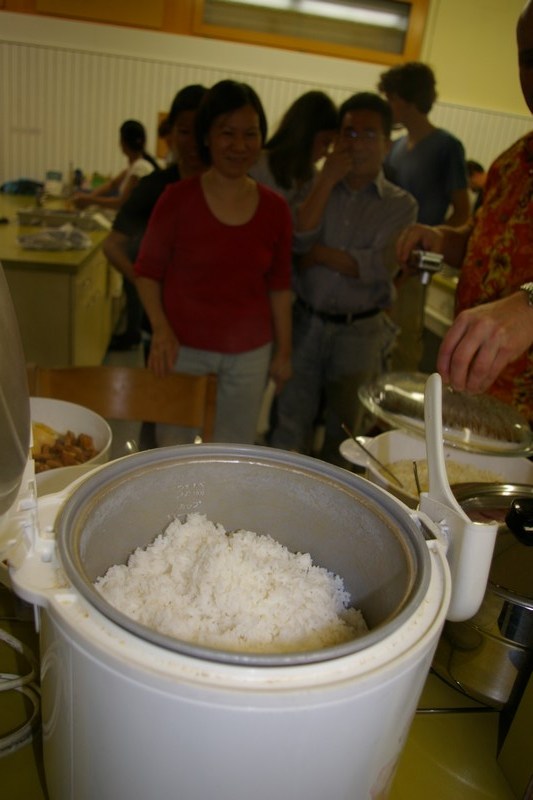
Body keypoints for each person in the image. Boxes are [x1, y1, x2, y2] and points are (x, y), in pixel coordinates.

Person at [396, 0, 533, 423]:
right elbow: (483, 246)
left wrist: (528, 305)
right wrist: (443, 239)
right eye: (530, 59)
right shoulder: (512, 162)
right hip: (479, 401)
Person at [134, 80, 293, 445]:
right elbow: (146, 272)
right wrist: (160, 328)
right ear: (207, 137)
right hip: (181, 351)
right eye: (227, 133)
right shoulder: (177, 199)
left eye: (250, 134)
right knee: (172, 451)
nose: (239, 145)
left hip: (249, 357)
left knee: (233, 451)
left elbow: (280, 286)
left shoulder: (276, 209)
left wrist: (284, 352)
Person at [270, 92, 418, 466]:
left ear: (386, 143)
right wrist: (326, 181)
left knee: (347, 433)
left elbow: (379, 266)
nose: (356, 143)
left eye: (369, 134)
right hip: (306, 322)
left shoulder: (401, 204)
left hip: (360, 332)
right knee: (289, 424)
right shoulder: (314, 185)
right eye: (349, 133)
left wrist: (318, 255)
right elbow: (298, 240)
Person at [377, 62, 470, 371]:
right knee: (379, 335)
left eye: (391, 99)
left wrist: (428, 244)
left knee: (404, 338)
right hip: (386, 255)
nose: (388, 106)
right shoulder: (397, 147)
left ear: (407, 99)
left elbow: (462, 212)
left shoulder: (446, 147)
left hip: (415, 263)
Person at [103, 85, 208, 350]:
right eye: (184, 132)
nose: (193, 142)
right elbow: (112, 245)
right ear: (170, 133)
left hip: (214, 330)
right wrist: (142, 282)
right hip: (164, 327)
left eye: (202, 131)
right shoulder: (156, 186)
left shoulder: (232, 188)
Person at [249, 90, 338, 209]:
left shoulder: (314, 178)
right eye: (325, 143)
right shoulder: (259, 166)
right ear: (306, 135)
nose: (326, 153)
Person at [72, 120, 159, 211]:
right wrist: (88, 197)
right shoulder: (135, 166)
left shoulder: (140, 167)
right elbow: (112, 184)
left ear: (122, 142)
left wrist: (89, 200)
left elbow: (121, 203)